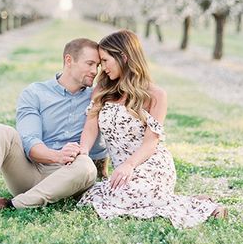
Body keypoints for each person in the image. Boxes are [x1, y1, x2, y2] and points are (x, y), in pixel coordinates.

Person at [0, 38, 107, 231]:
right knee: (1, 131)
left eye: (97, 65)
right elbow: (30, 143)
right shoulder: (35, 93)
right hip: (30, 172)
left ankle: (10, 204)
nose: (95, 71)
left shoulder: (97, 96)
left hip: (68, 178)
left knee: (86, 166)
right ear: (69, 60)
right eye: (89, 64)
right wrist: (57, 155)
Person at [77, 30, 228, 227]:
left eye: (105, 61)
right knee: (100, 195)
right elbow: (90, 128)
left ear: (123, 57)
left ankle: (203, 207)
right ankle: (191, 200)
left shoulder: (156, 95)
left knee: (123, 196)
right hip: (123, 170)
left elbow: (151, 143)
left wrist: (129, 165)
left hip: (151, 164)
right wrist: (83, 152)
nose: (102, 68)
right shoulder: (102, 90)